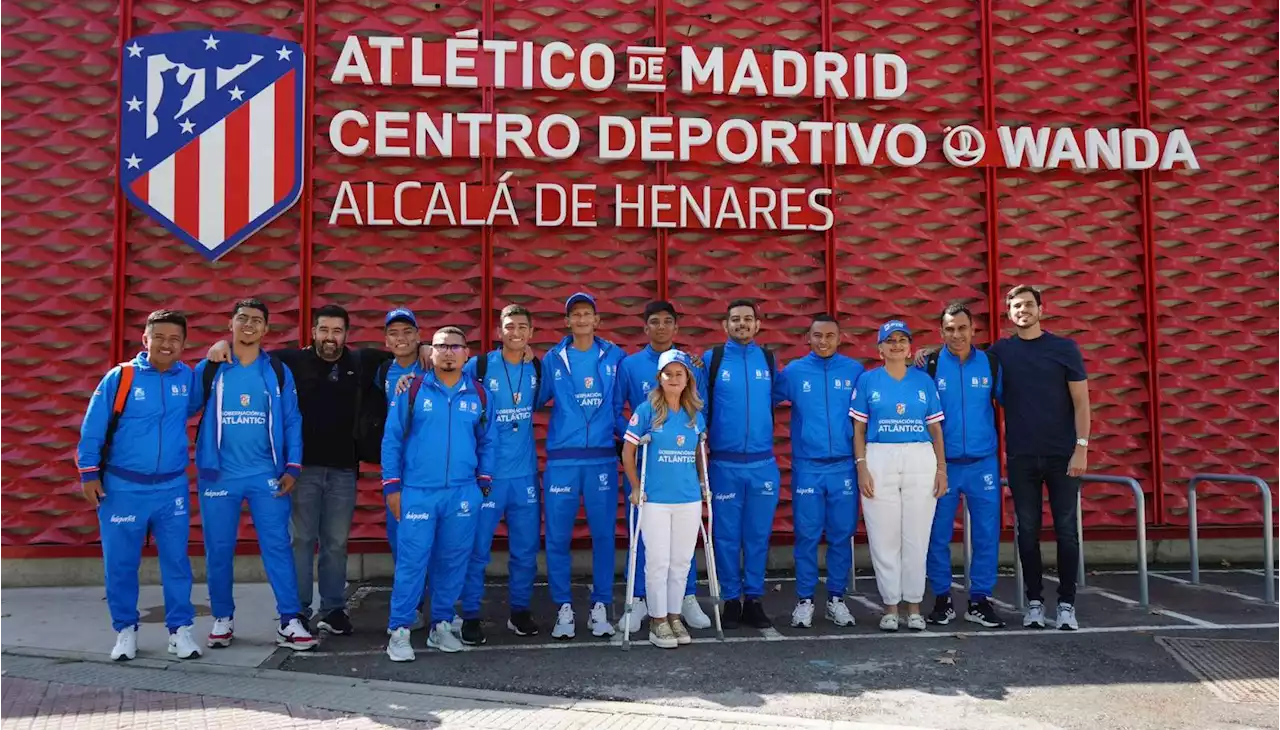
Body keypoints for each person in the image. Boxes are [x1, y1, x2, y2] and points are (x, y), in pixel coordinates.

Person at [76, 310, 203, 661]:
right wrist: (89, 474)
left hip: (171, 488)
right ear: (145, 340)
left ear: (183, 345)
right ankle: (125, 630)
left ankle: (180, 631)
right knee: (120, 563)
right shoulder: (122, 377)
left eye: (174, 339)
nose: (166, 344)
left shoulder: (187, 377)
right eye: (159, 337)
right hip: (123, 488)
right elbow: (93, 428)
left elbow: (195, 406)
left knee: (177, 562)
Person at [193, 298, 316, 650]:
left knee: (277, 546)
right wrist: (209, 355)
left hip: (266, 474)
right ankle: (222, 617)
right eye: (242, 318)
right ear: (230, 323)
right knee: (218, 548)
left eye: (257, 320)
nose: (249, 325)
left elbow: (292, 419)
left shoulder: (276, 371)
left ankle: (290, 619)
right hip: (219, 476)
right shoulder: (212, 367)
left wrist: (293, 465)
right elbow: (183, 405)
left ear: (265, 329)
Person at [383, 326, 496, 661]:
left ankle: (441, 626)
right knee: (412, 563)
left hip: (462, 493)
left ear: (466, 354)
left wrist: (482, 482)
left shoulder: (479, 394)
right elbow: (391, 439)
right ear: (430, 352)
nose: (448, 352)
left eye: (455, 347)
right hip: (418, 491)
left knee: (452, 562)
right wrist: (392, 486)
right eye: (442, 346)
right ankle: (400, 630)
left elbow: (488, 440)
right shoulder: (413, 389)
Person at [990, 285, 1090, 631]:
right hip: (1021, 456)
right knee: (1028, 531)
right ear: (1009, 313)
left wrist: (1082, 447)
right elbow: (965, 360)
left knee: (1066, 531)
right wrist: (928, 352)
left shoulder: (1064, 348)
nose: (1023, 310)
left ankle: (1066, 605)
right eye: (1016, 306)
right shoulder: (1001, 351)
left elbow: (1081, 402)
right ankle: (1034, 603)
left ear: (1041, 310)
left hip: (1063, 455)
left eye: (1028, 305)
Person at [616, 301, 711, 634]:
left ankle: (678, 609)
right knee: (653, 555)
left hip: (685, 491)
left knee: (680, 559)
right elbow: (622, 427)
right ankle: (651, 611)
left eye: (667, 322)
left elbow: (701, 444)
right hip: (652, 484)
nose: (674, 377)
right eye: (653, 322)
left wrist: (701, 481)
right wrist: (634, 479)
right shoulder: (638, 388)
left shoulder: (694, 405)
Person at [539, 291, 626, 639]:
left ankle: (600, 606)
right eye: (575, 314)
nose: (581, 319)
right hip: (562, 460)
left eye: (587, 313)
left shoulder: (615, 356)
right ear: (567, 321)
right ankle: (563, 608)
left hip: (602, 459)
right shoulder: (551, 359)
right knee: (558, 537)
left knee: (603, 536)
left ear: (597, 320)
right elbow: (529, 394)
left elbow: (629, 400)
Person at [850, 320, 946, 632]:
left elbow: (935, 428)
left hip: (920, 456)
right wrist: (862, 465)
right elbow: (859, 429)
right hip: (879, 456)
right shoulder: (868, 380)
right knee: (883, 535)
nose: (896, 345)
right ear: (879, 349)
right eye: (889, 340)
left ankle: (914, 607)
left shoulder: (924, 381)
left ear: (909, 348)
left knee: (916, 536)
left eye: (902, 340)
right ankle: (890, 606)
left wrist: (942, 468)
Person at [456, 304, 543, 643]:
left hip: (524, 477)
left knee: (525, 549)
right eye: (509, 326)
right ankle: (471, 615)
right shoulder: (479, 365)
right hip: (488, 475)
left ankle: (520, 610)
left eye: (522, 326)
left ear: (531, 332)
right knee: (477, 549)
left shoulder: (536, 366)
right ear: (499, 331)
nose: (516, 332)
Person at [773, 314, 864, 629]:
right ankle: (805, 600)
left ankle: (836, 599)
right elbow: (764, 398)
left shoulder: (854, 371)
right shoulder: (795, 371)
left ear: (840, 338)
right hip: (808, 467)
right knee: (807, 536)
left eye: (829, 336)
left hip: (843, 466)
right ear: (807, 338)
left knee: (841, 535)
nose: (823, 341)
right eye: (817, 336)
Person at [922, 303, 1007, 629]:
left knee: (987, 534)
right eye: (949, 329)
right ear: (941, 332)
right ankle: (942, 598)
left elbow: (1010, 403)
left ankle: (979, 600)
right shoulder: (929, 365)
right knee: (938, 533)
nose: (956, 334)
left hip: (983, 463)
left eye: (962, 328)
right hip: (942, 466)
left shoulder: (991, 364)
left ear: (973, 330)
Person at [699, 299, 781, 630]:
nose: (742, 324)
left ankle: (754, 599)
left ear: (758, 325)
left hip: (763, 462)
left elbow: (777, 397)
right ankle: (731, 600)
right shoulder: (712, 359)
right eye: (735, 320)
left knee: (758, 536)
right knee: (727, 537)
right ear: (725, 325)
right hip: (725, 464)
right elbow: (699, 404)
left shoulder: (769, 359)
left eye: (748, 319)